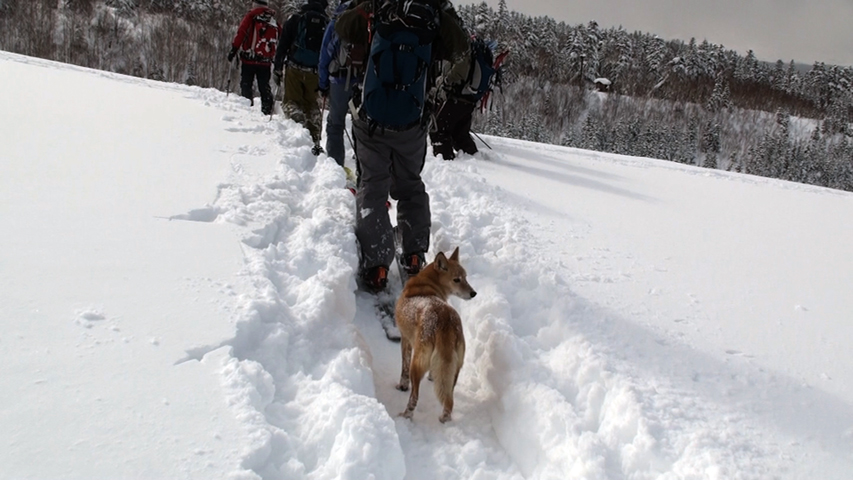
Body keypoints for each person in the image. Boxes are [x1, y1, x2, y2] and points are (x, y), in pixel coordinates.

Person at [336, 0, 469, 292]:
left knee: (373, 185)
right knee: (410, 185)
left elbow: (342, 27)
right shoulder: (433, 14)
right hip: (412, 122)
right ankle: (413, 254)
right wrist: (440, 13)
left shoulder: (380, 5)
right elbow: (461, 49)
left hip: (371, 119)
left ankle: (377, 267)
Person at [317, 0, 369, 171]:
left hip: (339, 81)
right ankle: (365, 168)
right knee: (361, 125)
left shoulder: (338, 22)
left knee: (335, 124)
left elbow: (325, 55)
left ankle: (336, 167)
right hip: (363, 82)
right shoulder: (369, 20)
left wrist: (323, 84)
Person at [273, 0, 330, 155]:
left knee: (291, 101)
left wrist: (277, 68)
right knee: (311, 104)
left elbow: (283, 45)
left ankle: (297, 131)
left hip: (294, 69)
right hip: (315, 73)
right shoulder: (327, 24)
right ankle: (314, 140)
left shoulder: (295, 19)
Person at [228, 0, 279, 115]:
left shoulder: (250, 16)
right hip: (265, 61)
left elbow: (241, 32)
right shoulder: (272, 19)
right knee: (264, 86)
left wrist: (234, 49)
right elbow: (280, 36)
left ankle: (247, 109)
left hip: (249, 59)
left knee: (246, 84)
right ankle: (267, 110)